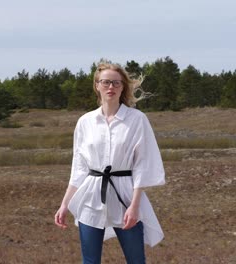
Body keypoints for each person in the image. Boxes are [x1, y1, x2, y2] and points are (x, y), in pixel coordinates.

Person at [54, 61, 165, 264]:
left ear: (123, 87)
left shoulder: (137, 119)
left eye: (116, 83)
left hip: (125, 196)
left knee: (136, 260)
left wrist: (134, 206)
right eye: (106, 82)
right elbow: (79, 168)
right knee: (90, 261)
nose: (111, 87)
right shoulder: (85, 122)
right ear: (97, 85)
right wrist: (64, 204)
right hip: (91, 196)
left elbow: (142, 164)